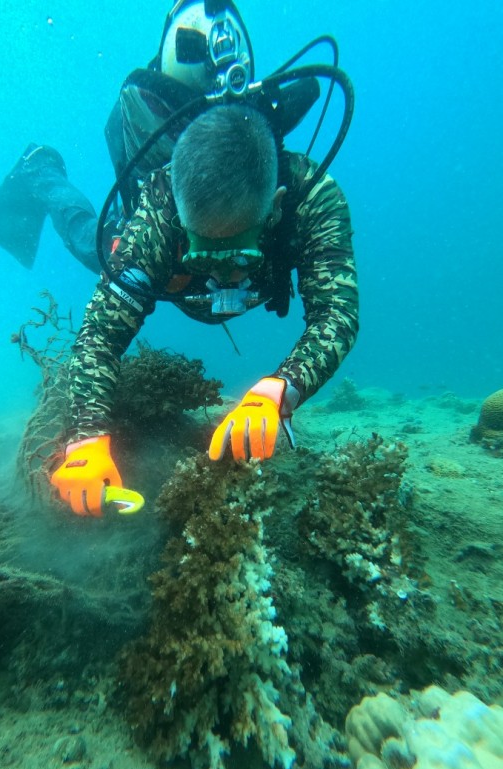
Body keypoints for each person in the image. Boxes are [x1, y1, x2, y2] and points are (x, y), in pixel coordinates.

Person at [49, 104, 359, 517]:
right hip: (146, 242)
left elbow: (338, 314)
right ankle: (45, 177)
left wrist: (281, 387)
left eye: (240, 259)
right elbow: (99, 338)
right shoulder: (155, 218)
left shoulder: (313, 197)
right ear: (179, 217)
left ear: (276, 206)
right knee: (92, 242)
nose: (223, 278)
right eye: (205, 260)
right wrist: (86, 436)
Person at [0, 0, 258, 273]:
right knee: (97, 244)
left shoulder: (259, 144)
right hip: (151, 224)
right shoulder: (147, 117)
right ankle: (41, 171)